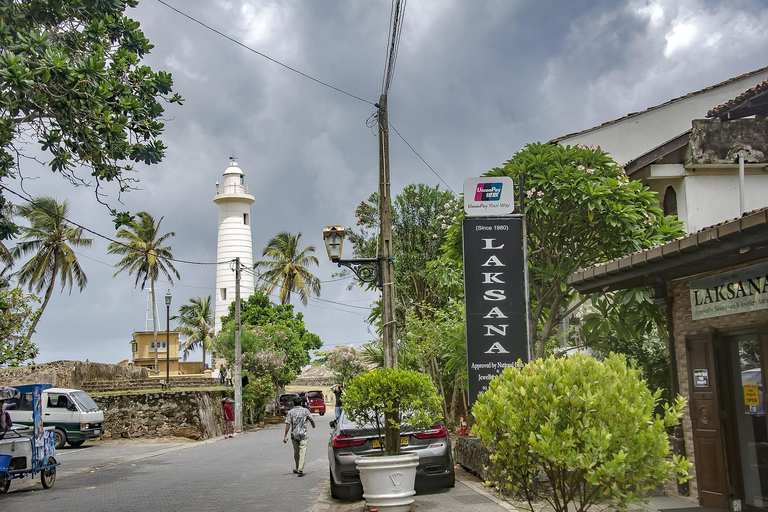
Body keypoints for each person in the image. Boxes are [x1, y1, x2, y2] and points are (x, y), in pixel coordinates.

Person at [283, 395, 315, 477]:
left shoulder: (290, 412)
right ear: (301, 403)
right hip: (303, 434)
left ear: (293, 403)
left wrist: (285, 436)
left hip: (294, 434)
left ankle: (298, 467)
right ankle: (300, 469)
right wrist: (313, 425)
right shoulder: (306, 411)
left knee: (296, 452)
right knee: (302, 451)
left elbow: (288, 424)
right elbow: (311, 419)